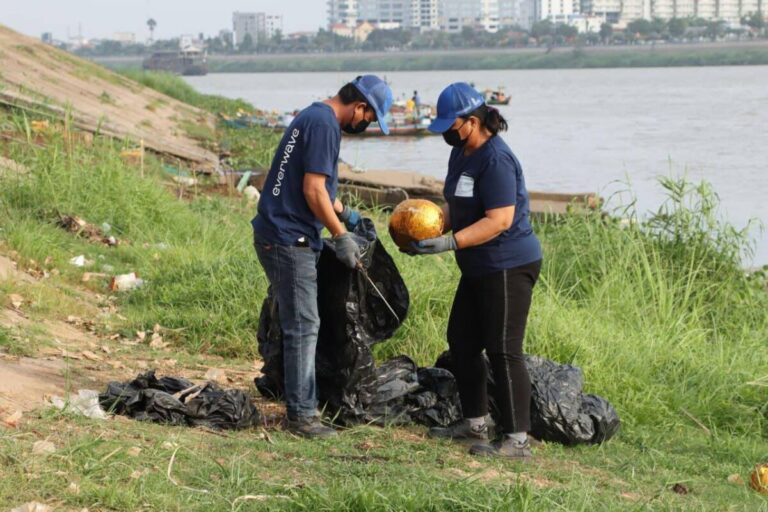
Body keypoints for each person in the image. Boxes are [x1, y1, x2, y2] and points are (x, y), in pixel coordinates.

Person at [406, 82, 542, 459]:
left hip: (507, 264)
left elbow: (499, 220)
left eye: (452, 125)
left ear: (472, 121)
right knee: (462, 342)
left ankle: (517, 440)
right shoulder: (462, 154)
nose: (447, 132)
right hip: (478, 265)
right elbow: (455, 207)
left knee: (503, 350)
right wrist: (429, 229)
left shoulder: (496, 159)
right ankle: (475, 422)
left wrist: (450, 243)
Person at [252, 75, 393, 438]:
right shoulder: (325, 125)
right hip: (288, 238)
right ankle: (301, 417)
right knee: (303, 325)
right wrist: (341, 235)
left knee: (300, 320)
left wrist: (345, 213)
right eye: (370, 118)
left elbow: (320, 189)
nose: (366, 125)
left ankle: (295, 395)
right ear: (360, 107)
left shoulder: (314, 117)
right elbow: (313, 190)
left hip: (282, 232)